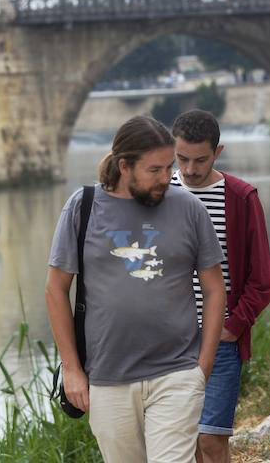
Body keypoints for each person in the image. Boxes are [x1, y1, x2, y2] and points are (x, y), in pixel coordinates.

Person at [45, 115, 226, 463]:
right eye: (154, 170)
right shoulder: (82, 207)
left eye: (168, 166)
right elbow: (55, 290)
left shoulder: (189, 207)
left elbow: (215, 288)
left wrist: (202, 366)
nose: (167, 177)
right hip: (108, 377)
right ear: (124, 165)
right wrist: (71, 369)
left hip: (177, 373)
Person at [170, 110, 270, 462]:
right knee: (180, 444)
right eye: (181, 158)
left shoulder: (241, 197)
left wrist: (233, 326)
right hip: (166, 343)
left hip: (220, 342)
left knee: (211, 442)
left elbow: (261, 281)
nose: (189, 169)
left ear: (219, 151)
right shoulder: (159, 192)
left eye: (200, 160)